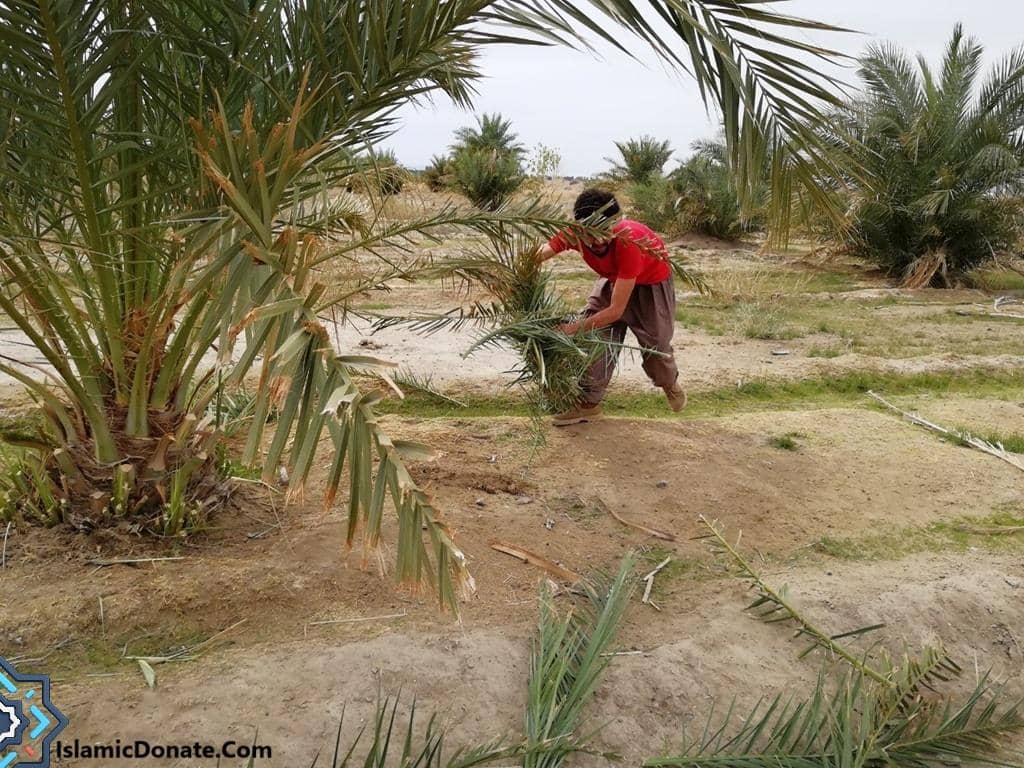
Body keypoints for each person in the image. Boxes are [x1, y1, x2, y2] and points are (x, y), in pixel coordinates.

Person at [536, 188, 686, 426]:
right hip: (614, 280)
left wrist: (570, 329)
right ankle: (588, 405)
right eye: (591, 233)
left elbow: (615, 311)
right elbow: (538, 254)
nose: (598, 241)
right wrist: (515, 270)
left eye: (605, 232)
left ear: (616, 222)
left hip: (650, 285)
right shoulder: (575, 234)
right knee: (596, 340)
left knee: (656, 345)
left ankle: (670, 384)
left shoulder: (629, 241)